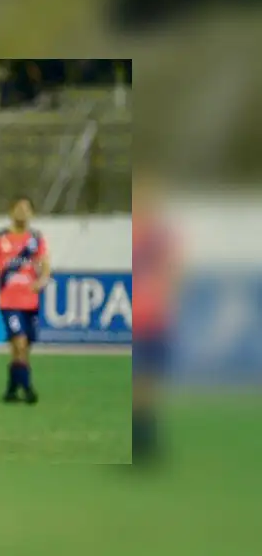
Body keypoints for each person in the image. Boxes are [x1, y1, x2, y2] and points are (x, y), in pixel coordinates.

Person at [0, 196, 51, 404]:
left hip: (31, 301)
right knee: (19, 342)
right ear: (11, 212)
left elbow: (45, 265)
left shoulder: (36, 239)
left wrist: (42, 280)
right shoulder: (0, 237)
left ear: (32, 214)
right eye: (18, 208)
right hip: (9, 302)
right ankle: (27, 388)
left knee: (24, 348)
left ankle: (11, 388)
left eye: (26, 209)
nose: (22, 212)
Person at [131, 170, 176, 463]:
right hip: (138, 318)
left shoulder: (160, 234)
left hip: (153, 317)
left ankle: (145, 443)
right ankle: (142, 444)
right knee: (139, 383)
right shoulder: (135, 232)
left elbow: (173, 271)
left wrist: (163, 299)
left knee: (148, 382)